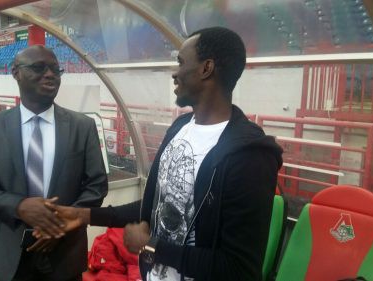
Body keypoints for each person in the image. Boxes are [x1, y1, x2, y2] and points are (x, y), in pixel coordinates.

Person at [43, 27, 283, 281]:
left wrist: (151, 246)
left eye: (180, 62)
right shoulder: (180, 127)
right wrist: (86, 216)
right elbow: (156, 205)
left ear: (206, 68)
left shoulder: (250, 156)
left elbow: (238, 269)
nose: (174, 73)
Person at [0, 45, 108, 281]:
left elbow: (97, 185)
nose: (50, 74)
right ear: (16, 73)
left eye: (55, 69)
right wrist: (19, 206)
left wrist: (59, 224)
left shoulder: (83, 126)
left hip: (65, 251)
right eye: (38, 68)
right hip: (10, 251)